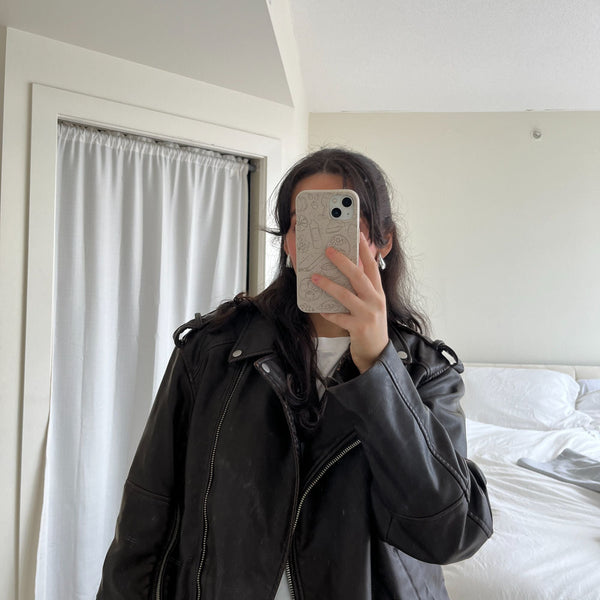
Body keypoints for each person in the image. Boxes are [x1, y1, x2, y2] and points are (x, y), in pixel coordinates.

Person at [97, 148, 493, 599]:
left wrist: (379, 368)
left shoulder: (426, 374)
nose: (324, 243)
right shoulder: (212, 352)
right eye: (302, 224)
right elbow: (147, 510)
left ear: (382, 243)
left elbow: (449, 533)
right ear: (287, 244)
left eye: (345, 221)